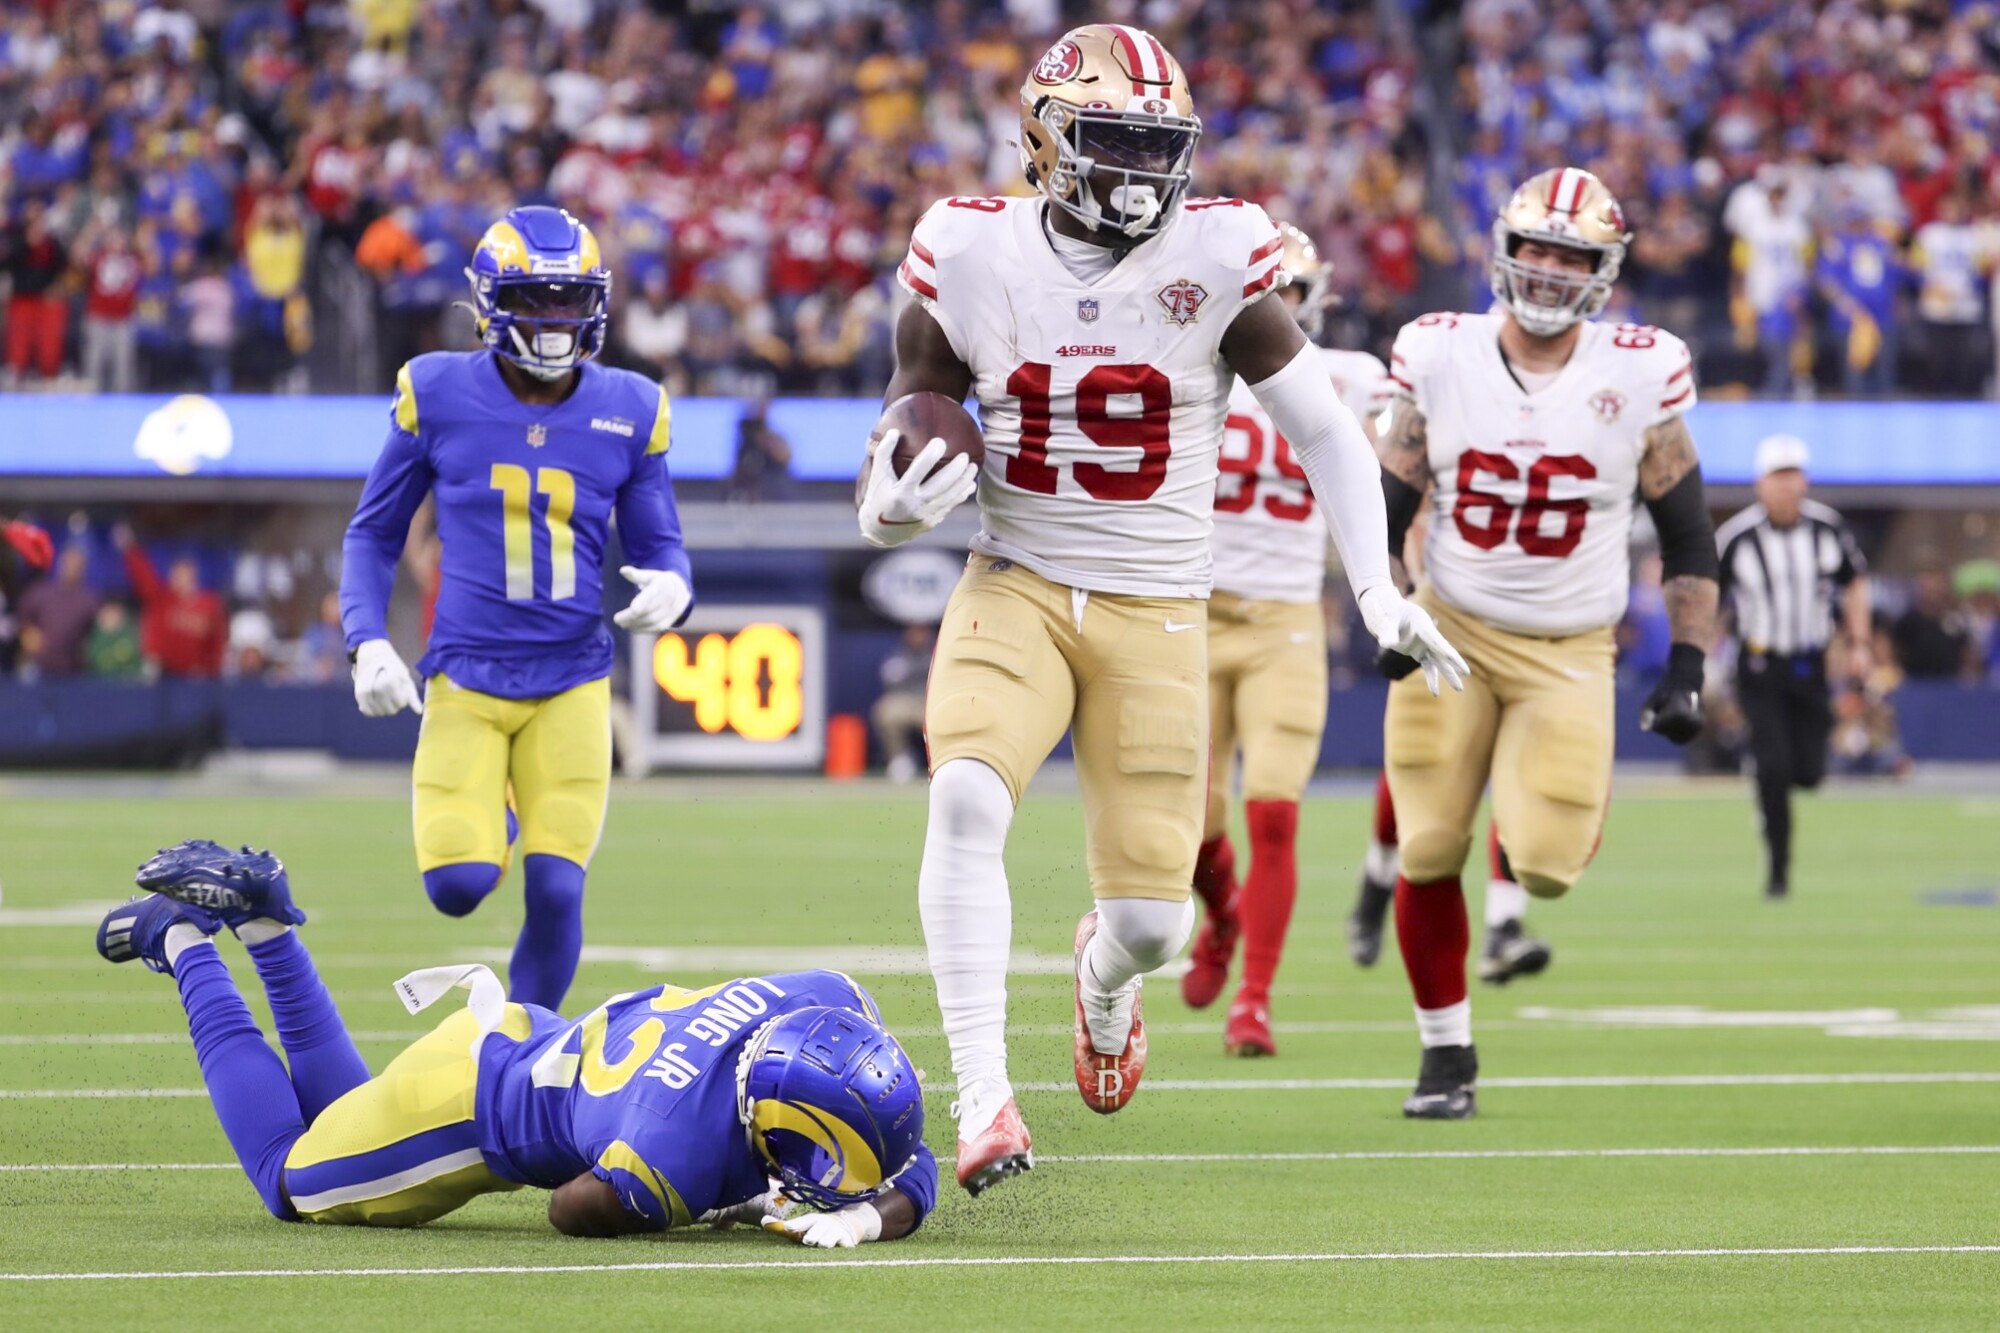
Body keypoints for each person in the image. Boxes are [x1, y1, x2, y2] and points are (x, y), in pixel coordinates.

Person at [864, 24, 1464, 1194]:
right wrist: (886, 506)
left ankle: (1102, 980)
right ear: (1044, 141)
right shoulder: (968, 249)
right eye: (1112, 143)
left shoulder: (1221, 253)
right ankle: (981, 1096)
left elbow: (1324, 433)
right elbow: (912, 407)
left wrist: (1377, 588)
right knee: (964, 802)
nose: (1140, 173)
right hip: (1015, 581)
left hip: (1156, 609)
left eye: (1157, 147)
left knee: (1153, 925)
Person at [95, 840, 935, 1246]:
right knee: (288, 1176)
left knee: (345, 1121)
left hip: (524, 1033)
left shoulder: (819, 998)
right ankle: (186, 943)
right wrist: (721, 1197)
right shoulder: (668, 1149)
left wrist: (869, 1211)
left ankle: (270, 922)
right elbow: (570, 1208)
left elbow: (903, 1154)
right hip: (470, 1108)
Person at [1376, 168, 1720, 1120]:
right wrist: (1387, 603)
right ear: (1505, 249)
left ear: (1604, 270)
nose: (1550, 269)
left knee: (1544, 865)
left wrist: (1687, 666)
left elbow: (1689, 536)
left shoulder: (1638, 371)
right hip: (1451, 628)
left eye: (1573, 255)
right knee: (1429, 845)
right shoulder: (1440, 354)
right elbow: (1387, 502)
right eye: (1537, 247)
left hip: (1571, 645)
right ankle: (1446, 1054)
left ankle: (1523, 795)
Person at [339, 205, 694, 1012]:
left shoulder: (631, 406)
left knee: (559, 888)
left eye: (570, 300)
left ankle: (527, 1049)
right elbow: (372, 536)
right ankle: (496, 816)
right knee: (457, 886)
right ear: (492, 301)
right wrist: (366, 640)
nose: (556, 319)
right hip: (465, 673)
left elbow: (660, 539)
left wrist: (675, 584)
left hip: (572, 676)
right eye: (536, 299)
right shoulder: (434, 391)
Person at [1177, 222, 1391, 1058]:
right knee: (1191, 823)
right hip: (1189, 613)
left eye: (1292, 291)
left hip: (1286, 624)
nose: (1279, 307)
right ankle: (1222, 918)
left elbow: (1387, 476)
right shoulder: (1187, 358)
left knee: (1273, 811)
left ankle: (1254, 999)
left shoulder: (1349, 379)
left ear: (1314, 297)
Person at [1716, 436, 1870, 898]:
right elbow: (1710, 598)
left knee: (1809, 773)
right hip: (1760, 664)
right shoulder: (1738, 537)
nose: (1789, 486)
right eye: (1779, 476)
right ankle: (1778, 871)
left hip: (1810, 663)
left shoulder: (1827, 529)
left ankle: (1767, 784)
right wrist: (1698, 656)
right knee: (1775, 767)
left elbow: (1855, 581)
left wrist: (1859, 641)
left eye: (1794, 475)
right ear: (1760, 484)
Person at [116, 526, 228, 678]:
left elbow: (217, 643)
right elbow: (143, 577)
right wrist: (130, 549)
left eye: (184, 572)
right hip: (164, 672)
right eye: (176, 573)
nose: (179, 577)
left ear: (193, 574)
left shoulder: (209, 604)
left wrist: (211, 670)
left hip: (196, 676)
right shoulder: (162, 598)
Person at [17, 544, 99, 677]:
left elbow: (94, 631)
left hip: (71, 671)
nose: (72, 568)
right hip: (38, 669)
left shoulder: (89, 601)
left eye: (77, 564)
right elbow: (24, 618)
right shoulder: (41, 592)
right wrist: (28, 636)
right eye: (69, 562)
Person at [870, 624, 933, 783]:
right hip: (905, 702)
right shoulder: (898, 657)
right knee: (886, 710)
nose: (918, 637)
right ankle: (900, 760)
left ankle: (946, 762)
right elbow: (891, 681)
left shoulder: (936, 655)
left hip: (929, 704)